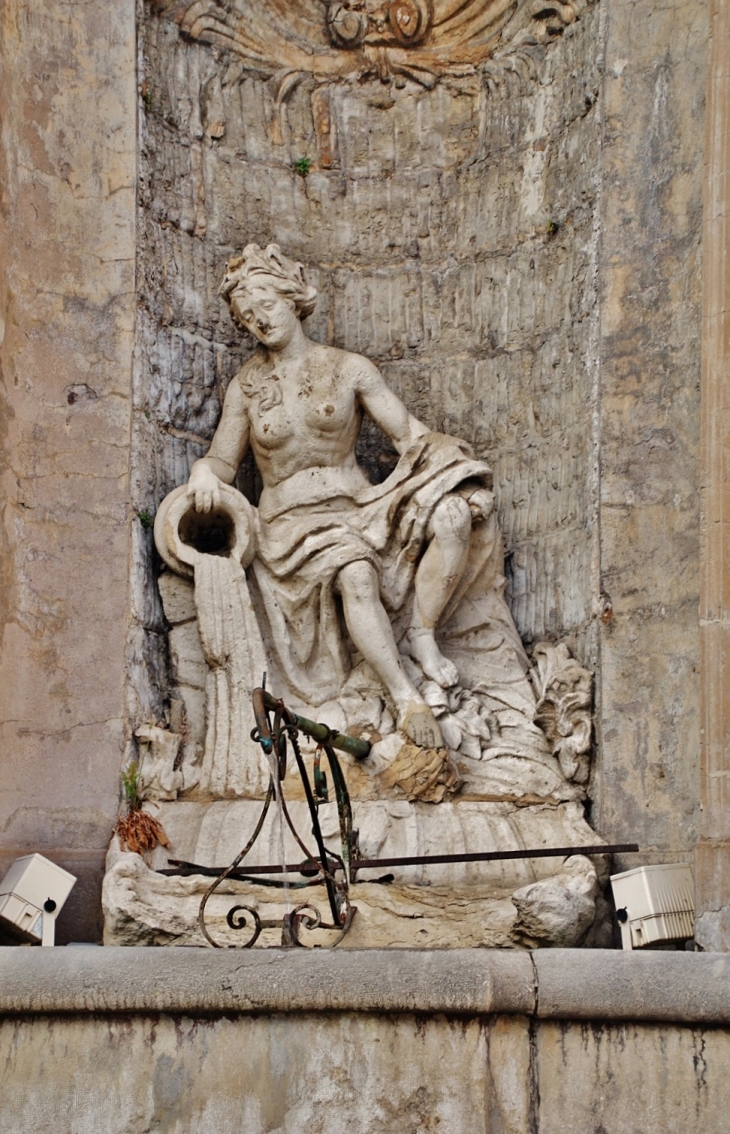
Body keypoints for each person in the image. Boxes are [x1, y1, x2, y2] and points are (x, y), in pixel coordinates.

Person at [187, 243, 496, 748]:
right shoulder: (247, 387)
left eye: (265, 306)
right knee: (355, 571)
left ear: (292, 298)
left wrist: (455, 473)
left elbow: (410, 437)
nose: (259, 323)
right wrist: (203, 473)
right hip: (288, 529)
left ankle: (422, 633)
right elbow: (223, 461)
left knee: (454, 514)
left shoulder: (350, 368)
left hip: (359, 508)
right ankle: (405, 699)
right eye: (247, 318)